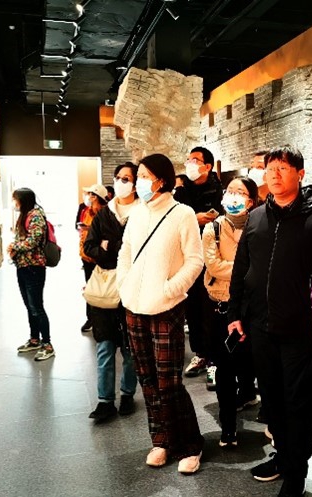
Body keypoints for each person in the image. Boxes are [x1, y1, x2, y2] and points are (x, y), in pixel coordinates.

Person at [227, 146, 312, 497]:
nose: (274, 175)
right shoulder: (257, 216)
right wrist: (235, 314)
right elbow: (242, 267)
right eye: (270, 168)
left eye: (283, 168)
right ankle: (282, 457)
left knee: (298, 403)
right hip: (261, 327)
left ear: (300, 174)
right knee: (272, 400)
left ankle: (296, 473)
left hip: (302, 330)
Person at [117, 153, 205, 474]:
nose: (138, 181)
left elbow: (195, 260)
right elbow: (125, 252)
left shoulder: (182, 214)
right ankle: (161, 441)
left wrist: (171, 289)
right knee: (148, 379)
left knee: (169, 382)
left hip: (166, 307)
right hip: (134, 307)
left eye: (143, 176)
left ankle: (191, 445)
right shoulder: (138, 214)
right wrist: (124, 285)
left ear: (161, 180)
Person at [202, 176, 259, 447]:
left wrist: (235, 267)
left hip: (252, 308)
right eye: (230, 191)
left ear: (251, 201)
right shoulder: (212, 228)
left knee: (255, 364)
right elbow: (213, 267)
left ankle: (253, 401)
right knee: (224, 369)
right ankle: (228, 427)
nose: (233, 196)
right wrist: (246, 269)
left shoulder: (259, 227)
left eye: (240, 192)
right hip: (220, 306)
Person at [83, 163, 140, 423]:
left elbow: (140, 250)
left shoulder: (143, 212)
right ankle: (105, 400)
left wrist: (110, 246)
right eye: (118, 177)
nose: (121, 182)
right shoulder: (105, 213)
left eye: (126, 178)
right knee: (104, 347)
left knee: (130, 349)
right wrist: (109, 250)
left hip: (132, 288)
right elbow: (90, 247)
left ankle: (127, 393)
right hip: (105, 289)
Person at [174, 147, 223, 384]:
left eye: (196, 160)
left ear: (208, 166)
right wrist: (195, 218)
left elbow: (223, 219)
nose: (190, 163)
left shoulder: (220, 191)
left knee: (210, 311)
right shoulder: (181, 192)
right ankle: (200, 354)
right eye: (188, 159)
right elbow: (175, 219)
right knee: (192, 309)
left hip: (213, 258)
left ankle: (215, 360)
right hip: (187, 257)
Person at [8, 188, 55, 361]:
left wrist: (14, 247)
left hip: (34, 267)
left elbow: (33, 240)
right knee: (30, 306)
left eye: (15, 199)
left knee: (37, 307)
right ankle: (35, 339)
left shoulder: (35, 216)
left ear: (23, 200)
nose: (14, 203)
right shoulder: (25, 215)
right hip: (22, 265)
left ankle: (47, 344)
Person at [78, 184, 108, 333]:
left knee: (101, 290)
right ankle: (90, 318)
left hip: (99, 258)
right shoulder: (86, 211)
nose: (88, 197)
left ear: (96, 197)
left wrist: (90, 229)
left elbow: (105, 233)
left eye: (91, 194)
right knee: (89, 288)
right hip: (86, 256)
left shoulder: (105, 213)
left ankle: (101, 321)